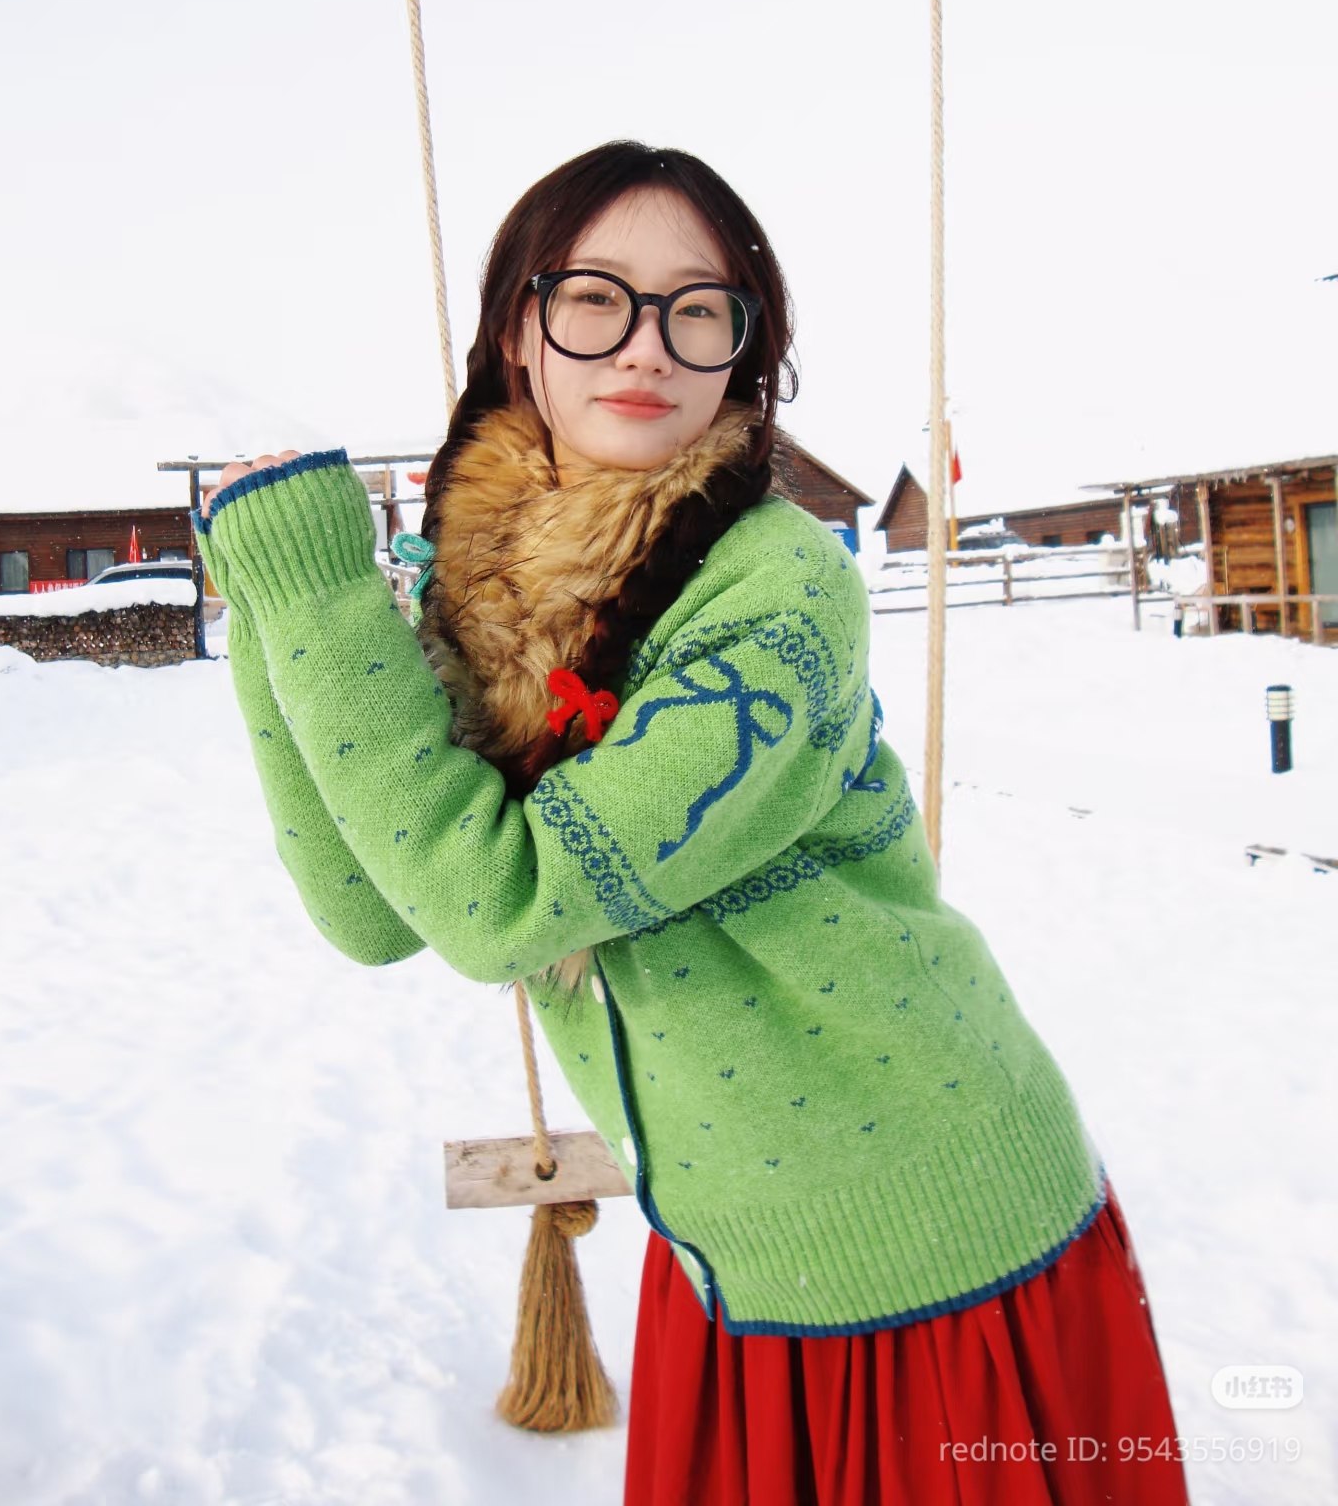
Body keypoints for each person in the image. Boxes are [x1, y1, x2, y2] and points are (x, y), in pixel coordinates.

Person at [195, 140, 1189, 1505]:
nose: (646, 345)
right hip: (728, 1249)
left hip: (930, 1244)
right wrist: (278, 597)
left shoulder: (775, 597)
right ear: (518, 333)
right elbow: (373, 911)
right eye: (595, 298)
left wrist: (316, 599)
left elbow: (497, 905)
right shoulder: (491, 600)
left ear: (742, 351)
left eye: (697, 308)